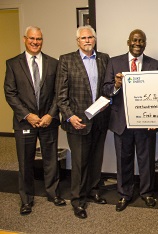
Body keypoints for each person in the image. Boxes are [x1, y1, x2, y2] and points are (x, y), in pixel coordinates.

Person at [4, 26, 66, 215]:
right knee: (25, 161)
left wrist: (50, 115)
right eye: (32, 38)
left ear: (42, 40)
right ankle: (26, 199)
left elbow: (59, 93)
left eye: (38, 39)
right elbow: (10, 93)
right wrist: (27, 115)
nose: (35, 42)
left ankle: (53, 193)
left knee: (51, 160)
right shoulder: (13, 64)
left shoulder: (53, 63)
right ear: (25, 39)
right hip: (25, 122)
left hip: (48, 121)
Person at [102, 29, 158, 212]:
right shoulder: (114, 62)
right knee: (123, 160)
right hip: (121, 122)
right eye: (135, 40)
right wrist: (117, 85)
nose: (138, 43)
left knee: (146, 160)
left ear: (145, 43)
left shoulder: (154, 64)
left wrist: (156, 119)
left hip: (145, 123)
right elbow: (105, 90)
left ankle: (147, 193)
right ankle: (124, 194)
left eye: (141, 41)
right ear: (128, 42)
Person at [56, 25, 110, 219]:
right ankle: (78, 200)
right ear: (77, 41)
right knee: (79, 163)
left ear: (94, 39)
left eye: (90, 37)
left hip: (100, 120)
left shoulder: (104, 58)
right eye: (84, 38)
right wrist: (70, 116)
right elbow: (60, 95)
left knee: (96, 159)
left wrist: (111, 95)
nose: (87, 40)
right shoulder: (66, 60)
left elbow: (107, 87)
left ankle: (94, 190)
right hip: (77, 122)